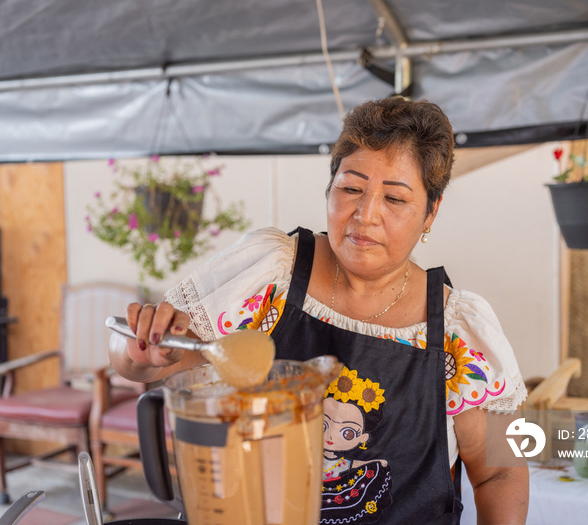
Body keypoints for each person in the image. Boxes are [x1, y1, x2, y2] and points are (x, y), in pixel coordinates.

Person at [110, 97, 529, 524]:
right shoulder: (270, 274)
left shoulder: (459, 334)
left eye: (395, 199)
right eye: (351, 188)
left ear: (430, 213)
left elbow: (499, 474)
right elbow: (148, 360)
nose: (365, 216)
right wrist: (137, 350)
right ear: (330, 186)